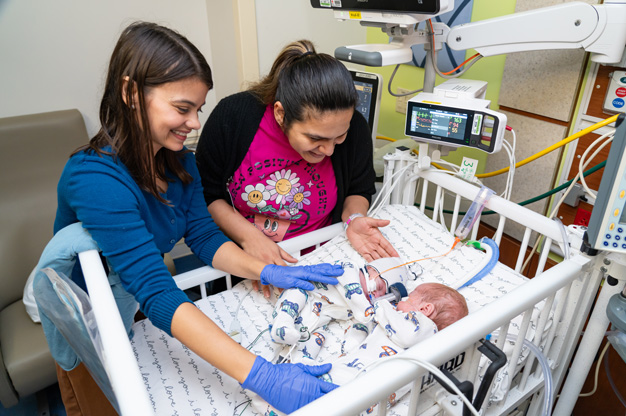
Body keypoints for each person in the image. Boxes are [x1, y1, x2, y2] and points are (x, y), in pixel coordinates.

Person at [43, 21, 343, 416]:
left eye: (197, 109)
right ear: (131, 93)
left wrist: (264, 270)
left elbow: (203, 237)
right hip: (84, 318)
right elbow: (155, 289)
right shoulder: (96, 180)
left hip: (126, 302)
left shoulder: (179, 163)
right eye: (182, 109)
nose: (196, 123)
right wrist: (263, 376)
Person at [195, 40, 399, 296]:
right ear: (281, 114)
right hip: (247, 258)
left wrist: (353, 218)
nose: (329, 151)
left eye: (339, 138)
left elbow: (359, 189)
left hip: (323, 255)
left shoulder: (354, 126)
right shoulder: (234, 117)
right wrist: (251, 239)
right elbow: (206, 195)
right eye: (315, 139)